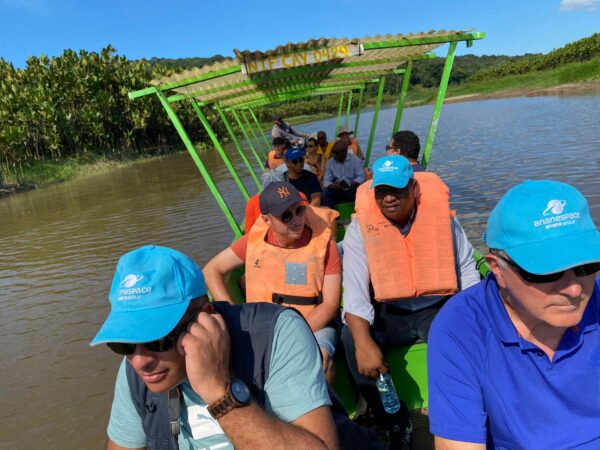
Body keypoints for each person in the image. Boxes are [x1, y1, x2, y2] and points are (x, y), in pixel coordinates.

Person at [90, 245, 338, 450]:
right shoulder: (133, 368)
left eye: (158, 340)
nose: (140, 361)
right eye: (123, 344)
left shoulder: (277, 333)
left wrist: (219, 392)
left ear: (203, 318)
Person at [428, 180, 600, 450]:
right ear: (497, 268)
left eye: (586, 265)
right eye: (547, 272)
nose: (574, 288)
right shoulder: (461, 328)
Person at [341, 155, 480, 448]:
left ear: (414, 189)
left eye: (398, 190)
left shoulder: (443, 221)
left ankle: (464, 410)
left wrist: (473, 318)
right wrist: (364, 343)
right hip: (390, 313)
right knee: (352, 338)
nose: (389, 198)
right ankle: (393, 420)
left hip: (438, 307)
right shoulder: (359, 230)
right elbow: (354, 291)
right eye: (381, 192)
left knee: (475, 337)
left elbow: (467, 270)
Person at [203, 182, 341, 383]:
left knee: (320, 359)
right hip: (263, 326)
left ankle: (327, 412)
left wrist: (291, 336)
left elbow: (330, 305)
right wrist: (232, 316)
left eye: (300, 211)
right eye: (286, 216)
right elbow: (211, 270)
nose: (296, 220)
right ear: (267, 220)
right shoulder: (253, 242)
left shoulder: (325, 245)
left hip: (313, 324)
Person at [322, 140, 365, 208]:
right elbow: (326, 179)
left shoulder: (356, 160)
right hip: (337, 190)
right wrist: (332, 185)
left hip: (352, 189)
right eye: (333, 152)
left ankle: (360, 212)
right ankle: (333, 214)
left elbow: (361, 176)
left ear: (344, 152)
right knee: (325, 192)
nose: (333, 155)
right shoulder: (330, 162)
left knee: (363, 190)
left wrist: (352, 183)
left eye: (336, 153)